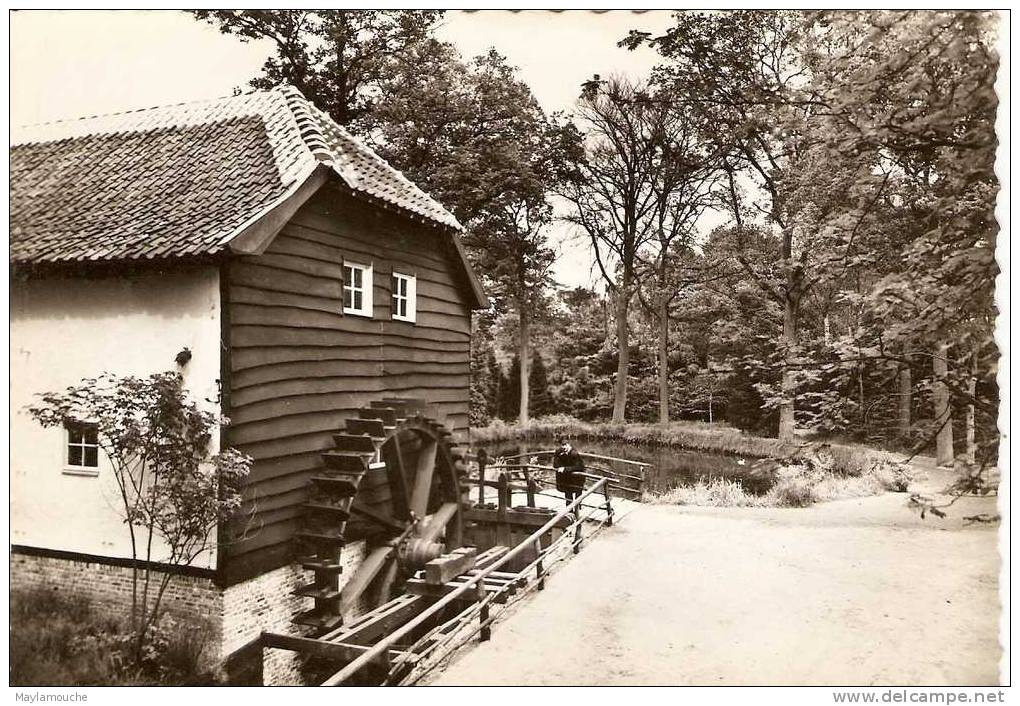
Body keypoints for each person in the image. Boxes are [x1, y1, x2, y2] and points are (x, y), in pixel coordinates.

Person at [552, 437, 585, 507]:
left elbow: (579, 467)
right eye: (562, 445)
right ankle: (569, 511)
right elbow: (555, 464)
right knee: (568, 495)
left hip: (577, 478)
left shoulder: (574, 454)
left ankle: (578, 509)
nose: (564, 447)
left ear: (569, 445)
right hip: (567, 478)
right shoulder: (559, 452)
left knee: (578, 495)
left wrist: (565, 469)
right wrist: (559, 463)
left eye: (565, 445)